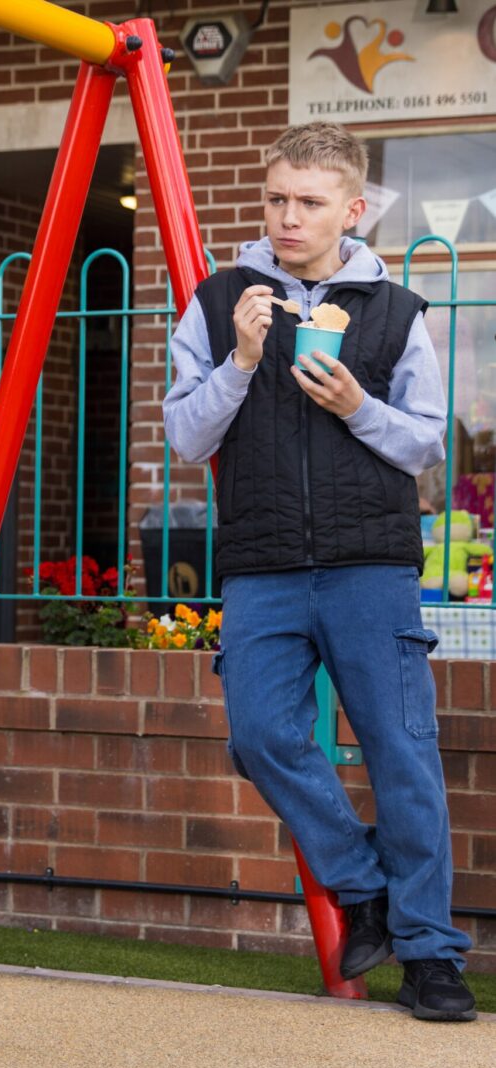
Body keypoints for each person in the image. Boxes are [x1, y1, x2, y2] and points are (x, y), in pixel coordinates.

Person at [164, 121, 475, 1021]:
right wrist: (241, 363)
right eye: (276, 199)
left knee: (402, 755)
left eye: (309, 202)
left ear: (353, 208)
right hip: (262, 564)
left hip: (371, 564)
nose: (289, 217)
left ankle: (429, 955)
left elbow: (425, 440)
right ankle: (364, 882)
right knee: (261, 734)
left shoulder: (396, 311)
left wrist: (357, 407)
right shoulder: (222, 297)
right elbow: (186, 436)